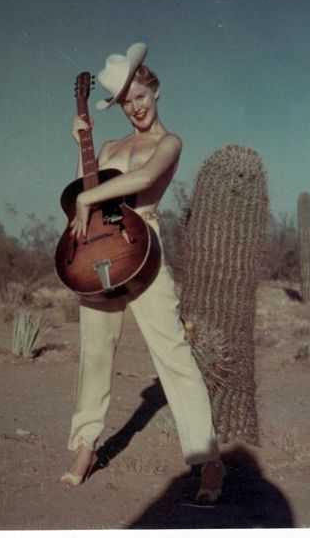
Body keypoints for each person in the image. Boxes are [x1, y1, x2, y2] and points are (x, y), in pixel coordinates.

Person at [60, 42, 225, 503]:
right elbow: (83, 192)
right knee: (95, 353)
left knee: (173, 352)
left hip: (143, 248)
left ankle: (208, 459)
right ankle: (85, 446)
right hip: (99, 253)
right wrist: (82, 149)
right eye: (126, 102)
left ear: (154, 91)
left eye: (140, 97)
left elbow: (144, 180)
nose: (135, 108)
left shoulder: (168, 142)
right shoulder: (110, 145)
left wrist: (89, 199)